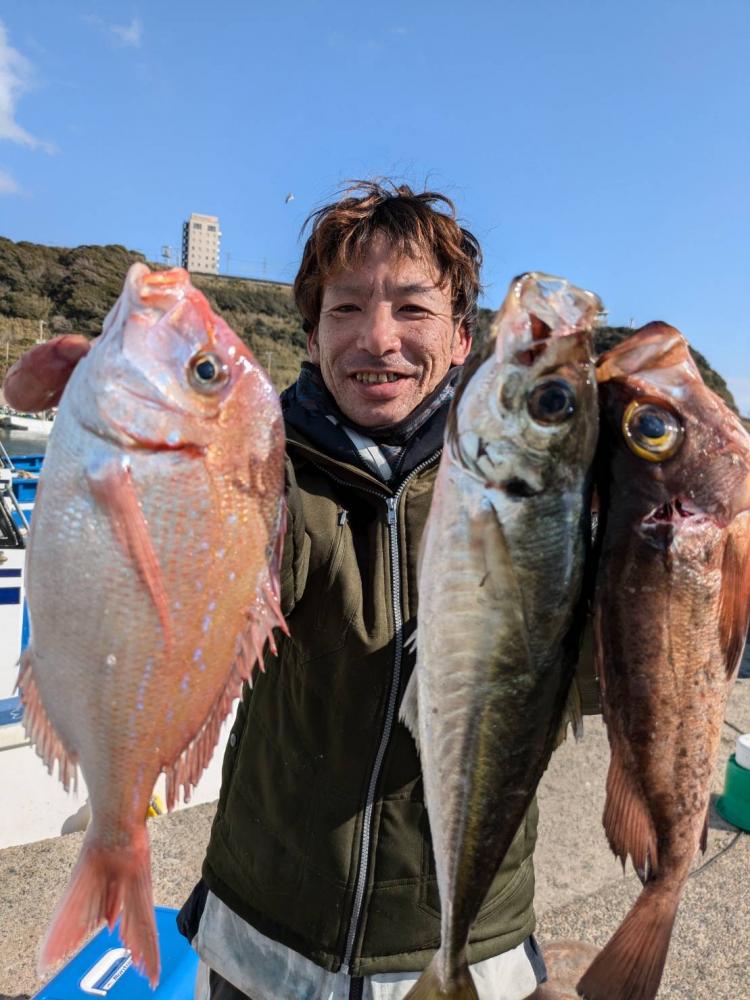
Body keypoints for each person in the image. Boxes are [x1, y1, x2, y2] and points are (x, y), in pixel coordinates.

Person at [4, 182, 562, 1000]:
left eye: (412, 308)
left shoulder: (524, 487)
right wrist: (61, 412)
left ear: (461, 337)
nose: (378, 338)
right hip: (267, 930)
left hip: (464, 933)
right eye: (346, 308)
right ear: (311, 333)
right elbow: (243, 562)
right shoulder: (262, 465)